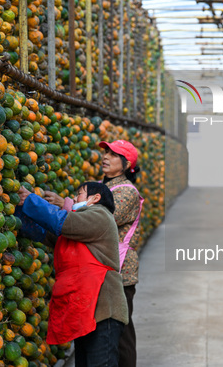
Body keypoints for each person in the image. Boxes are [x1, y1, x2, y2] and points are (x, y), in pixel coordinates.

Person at [45, 139, 143, 367]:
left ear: (127, 164)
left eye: (114, 154)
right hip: (93, 270)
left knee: (120, 333)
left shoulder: (127, 192)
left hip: (119, 271)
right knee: (95, 328)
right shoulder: (98, 187)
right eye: (106, 152)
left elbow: (98, 218)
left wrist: (64, 204)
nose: (106, 157)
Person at [18, 182, 129, 367]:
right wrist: (18, 212)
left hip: (103, 309)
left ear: (96, 198)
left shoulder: (100, 215)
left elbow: (62, 221)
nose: (74, 198)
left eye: (79, 194)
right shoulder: (76, 229)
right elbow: (45, 231)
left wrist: (30, 199)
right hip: (84, 310)